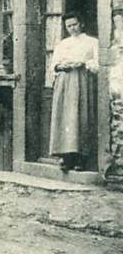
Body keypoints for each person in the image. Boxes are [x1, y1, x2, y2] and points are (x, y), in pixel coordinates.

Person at [49, 13, 99, 172]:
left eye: (75, 24)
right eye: (69, 26)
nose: (72, 28)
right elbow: (54, 65)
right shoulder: (63, 44)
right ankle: (65, 157)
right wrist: (61, 67)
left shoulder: (92, 42)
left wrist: (83, 63)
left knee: (80, 117)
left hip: (82, 81)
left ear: (81, 23)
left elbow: (97, 64)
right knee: (65, 118)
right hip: (64, 82)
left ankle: (81, 158)